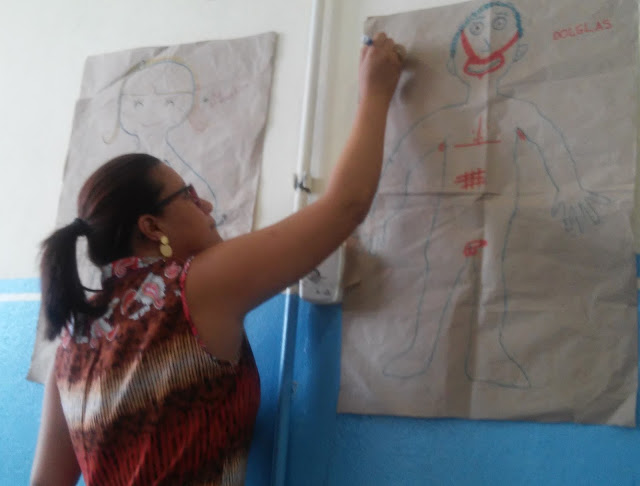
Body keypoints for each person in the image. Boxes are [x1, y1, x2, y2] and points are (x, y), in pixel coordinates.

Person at [30, 33, 404, 486]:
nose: (205, 205)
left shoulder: (74, 334)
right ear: (152, 227)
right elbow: (346, 206)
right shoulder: (190, 287)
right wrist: (376, 91)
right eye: (187, 195)